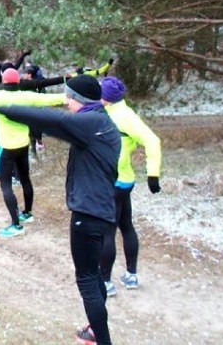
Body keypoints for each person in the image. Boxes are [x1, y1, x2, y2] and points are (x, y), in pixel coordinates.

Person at [0, 74, 120, 345]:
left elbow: (54, 122)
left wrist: (8, 109)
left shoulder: (89, 123)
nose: (66, 104)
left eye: (69, 99)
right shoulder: (102, 121)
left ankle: (102, 340)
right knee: (94, 276)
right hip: (103, 211)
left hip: (88, 214)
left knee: (86, 279)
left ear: (80, 101)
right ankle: (95, 330)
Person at [99, 76, 163, 297]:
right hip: (126, 180)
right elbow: (151, 141)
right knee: (126, 225)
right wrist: (152, 175)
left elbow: (153, 141)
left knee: (108, 231)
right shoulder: (127, 113)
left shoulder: (112, 115)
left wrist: (153, 174)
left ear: (105, 98)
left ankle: (105, 282)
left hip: (111, 181)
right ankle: (131, 275)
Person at [0, 68, 65, 237]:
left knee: (5, 184)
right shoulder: (27, 96)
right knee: (25, 179)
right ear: (18, 81)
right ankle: (27, 213)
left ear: (3, 81)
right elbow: (50, 99)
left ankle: (16, 226)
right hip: (23, 145)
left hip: (6, 147)